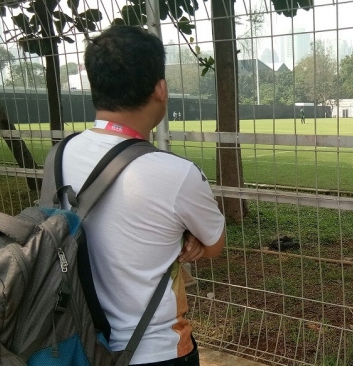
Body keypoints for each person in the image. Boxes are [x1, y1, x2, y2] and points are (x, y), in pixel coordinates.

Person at [62, 26, 226, 365]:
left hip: (78, 342)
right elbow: (213, 245)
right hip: (157, 350)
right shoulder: (176, 174)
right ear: (161, 89)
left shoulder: (60, 155)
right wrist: (185, 234)